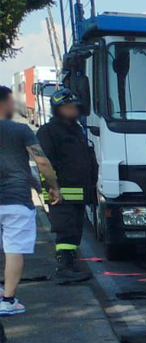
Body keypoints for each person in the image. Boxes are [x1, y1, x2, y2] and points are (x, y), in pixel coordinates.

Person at [0, 85, 63, 315]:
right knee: (14, 249)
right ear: (5, 103)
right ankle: (8, 300)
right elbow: (42, 162)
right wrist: (53, 187)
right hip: (16, 199)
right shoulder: (20, 130)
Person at [36, 89, 95, 284]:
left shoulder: (76, 129)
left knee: (75, 231)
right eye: (69, 106)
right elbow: (45, 162)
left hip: (79, 193)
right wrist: (53, 188)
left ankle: (71, 265)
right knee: (65, 231)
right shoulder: (48, 131)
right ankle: (64, 269)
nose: (73, 110)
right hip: (61, 193)